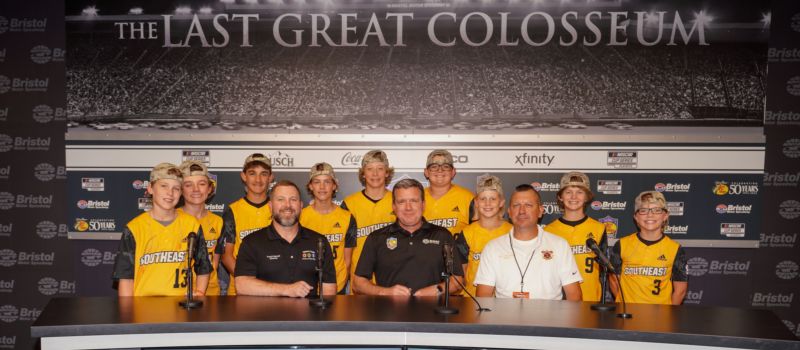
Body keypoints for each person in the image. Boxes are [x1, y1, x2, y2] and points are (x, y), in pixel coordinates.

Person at [112, 162, 211, 296]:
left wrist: (199, 292)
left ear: (181, 193)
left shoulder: (191, 225)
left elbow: (203, 268)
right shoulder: (135, 228)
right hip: (144, 308)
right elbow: (126, 278)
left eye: (176, 188)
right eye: (164, 186)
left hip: (181, 308)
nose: (170, 193)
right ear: (151, 188)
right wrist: (127, 313)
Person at [353, 179, 464, 296]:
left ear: (423, 204)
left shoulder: (442, 235)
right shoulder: (376, 238)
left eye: (414, 201)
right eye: (401, 202)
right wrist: (385, 292)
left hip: (432, 312)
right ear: (394, 207)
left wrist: (436, 290)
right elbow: (358, 283)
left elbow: (457, 281)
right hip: (388, 312)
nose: (408, 207)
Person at [475, 184, 582, 300]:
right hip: (504, 317)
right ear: (509, 212)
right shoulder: (493, 247)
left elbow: (574, 295)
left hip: (550, 317)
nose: (522, 211)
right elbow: (483, 297)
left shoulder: (559, 245)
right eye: (516, 205)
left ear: (540, 211)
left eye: (528, 205)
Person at [235, 180, 337, 297]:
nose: (287, 205)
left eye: (293, 200)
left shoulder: (319, 241)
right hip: (264, 315)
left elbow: (329, 290)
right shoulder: (252, 242)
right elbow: (242, 285)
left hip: (309, 315)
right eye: (280, 200)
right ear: (270, 206)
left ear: (301, 205)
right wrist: (286, 289)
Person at [609, 191, 688, 305]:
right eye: (643, 210)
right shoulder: (622, 245)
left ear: (665, 216)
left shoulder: (675, 249)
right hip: (627, 315)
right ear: (636, 217)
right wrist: (624, 306)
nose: (650, 215)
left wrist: (667, 314)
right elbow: (613, 280)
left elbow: (680, 290)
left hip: (659, 317)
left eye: (656, 210)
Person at [544, 171, 608, 302]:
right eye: (568, 192)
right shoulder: (549, 231)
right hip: (559, 301)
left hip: (591, 299)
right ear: (560, 197)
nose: (574, 196)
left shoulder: (598, 228)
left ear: (587, 197)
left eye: (579, 192)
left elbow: (604, 271)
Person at [217, 153, 274, 295]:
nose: (258, 179)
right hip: (241, 291)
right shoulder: (232, 211)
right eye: (252, 173)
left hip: (275, 287)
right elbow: (226, 256)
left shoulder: (279, 208)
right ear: (243, 176)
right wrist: (248, 281)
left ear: (271, 178)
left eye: (264, 174)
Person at [341, 150, 396, 291]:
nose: (375, 174)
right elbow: (343, 247)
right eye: (370, 169)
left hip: (392, 278)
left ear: (387, 173)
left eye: (380, 169)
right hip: (359, 281)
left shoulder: (398, 201)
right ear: (363, 173)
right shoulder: (350, 204)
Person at [300, 162, 357, 294]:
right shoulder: (301, 217)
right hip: (307, 286)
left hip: (338, 285)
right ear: (310, 186)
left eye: (327, 182)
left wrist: (340, 284)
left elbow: (347, 259)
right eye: (317, 182)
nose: (322, 187)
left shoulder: (347, 217)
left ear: (334, 185)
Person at [455, 175, 512, 297]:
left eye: (493, 199)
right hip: (472, 301)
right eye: (483, 199)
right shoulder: (467, 233)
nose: (487, 203)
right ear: (476, 202)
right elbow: (462, 272)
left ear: (501, 202)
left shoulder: (512, 232)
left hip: (505, 300)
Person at [177, 160, 223, 296]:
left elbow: (215, 262)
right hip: (179, 293)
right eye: (188, 185)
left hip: (211, 293)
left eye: (201, 184)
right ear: (180, 189)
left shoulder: (218, 222)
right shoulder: (172, 219)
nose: (196, 189)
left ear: (209, 189)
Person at [423, 149, 474, 235]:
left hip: (456, 248)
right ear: (426, 172)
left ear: (453, 172)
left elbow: (478, 231)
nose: (440, 170)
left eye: (446, 166)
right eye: (434, 166)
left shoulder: (467, 198)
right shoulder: (417, 198)